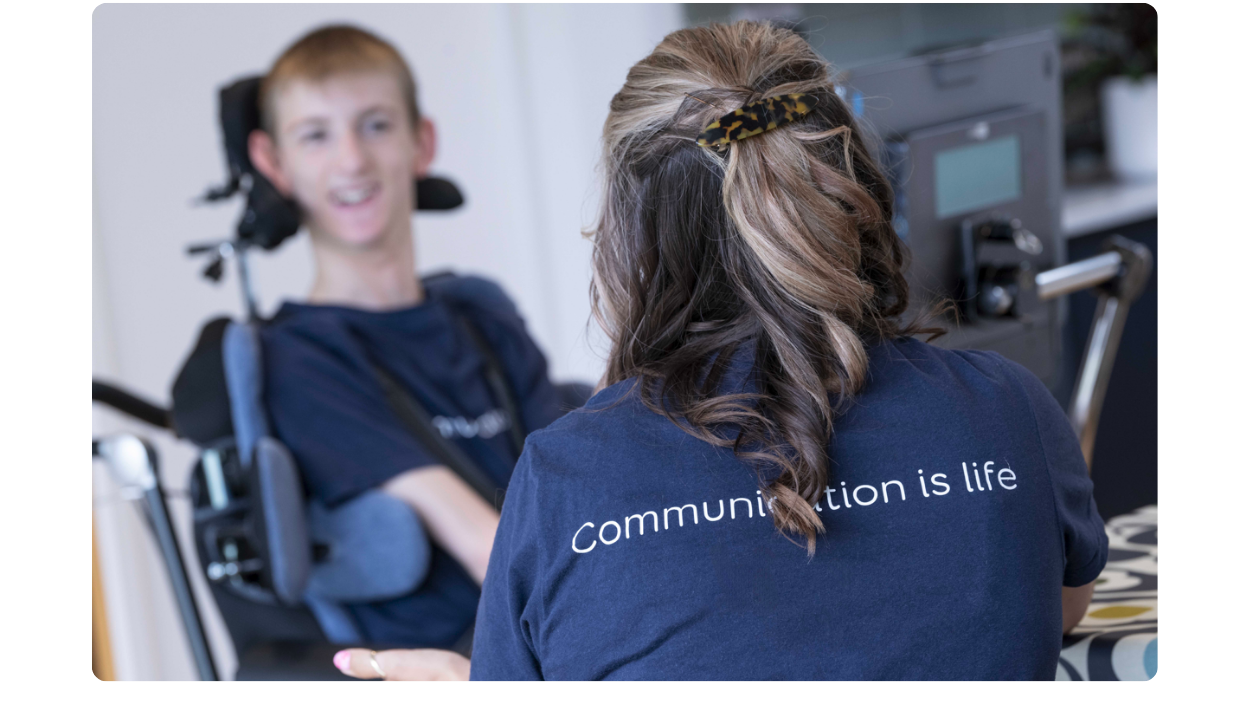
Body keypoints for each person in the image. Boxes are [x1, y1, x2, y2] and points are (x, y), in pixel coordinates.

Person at [335, 20, 1106, 681]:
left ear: (632, 237)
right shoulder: (1008, 409)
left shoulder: (565, 479)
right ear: (856, 187)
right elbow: (1058, 605)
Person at [247, 25, 565, 649]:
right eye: (316, 135)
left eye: (376, 125)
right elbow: (486, 548)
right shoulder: (298, 358)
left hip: (553, 621)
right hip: (462, 649)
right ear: (273, 163)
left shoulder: (482, 316)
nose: (352, 161)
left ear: (422, 143)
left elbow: (570, 498)